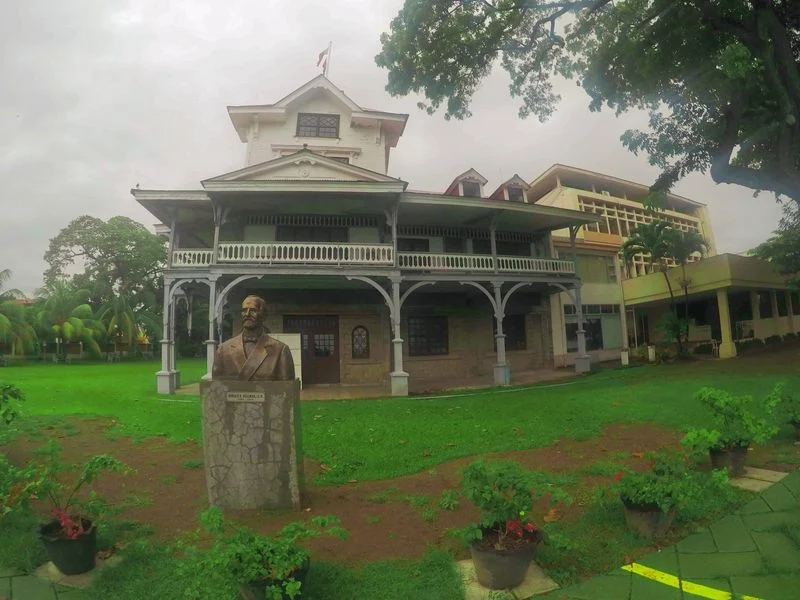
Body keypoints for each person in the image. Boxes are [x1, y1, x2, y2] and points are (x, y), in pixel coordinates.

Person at [212, 295, 295, 381]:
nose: (247, 314)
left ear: (264, 316)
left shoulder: (280, 350)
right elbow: (215, 387)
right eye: (244, 310)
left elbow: (287, 389)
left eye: (253, 310)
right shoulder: (223, 349)